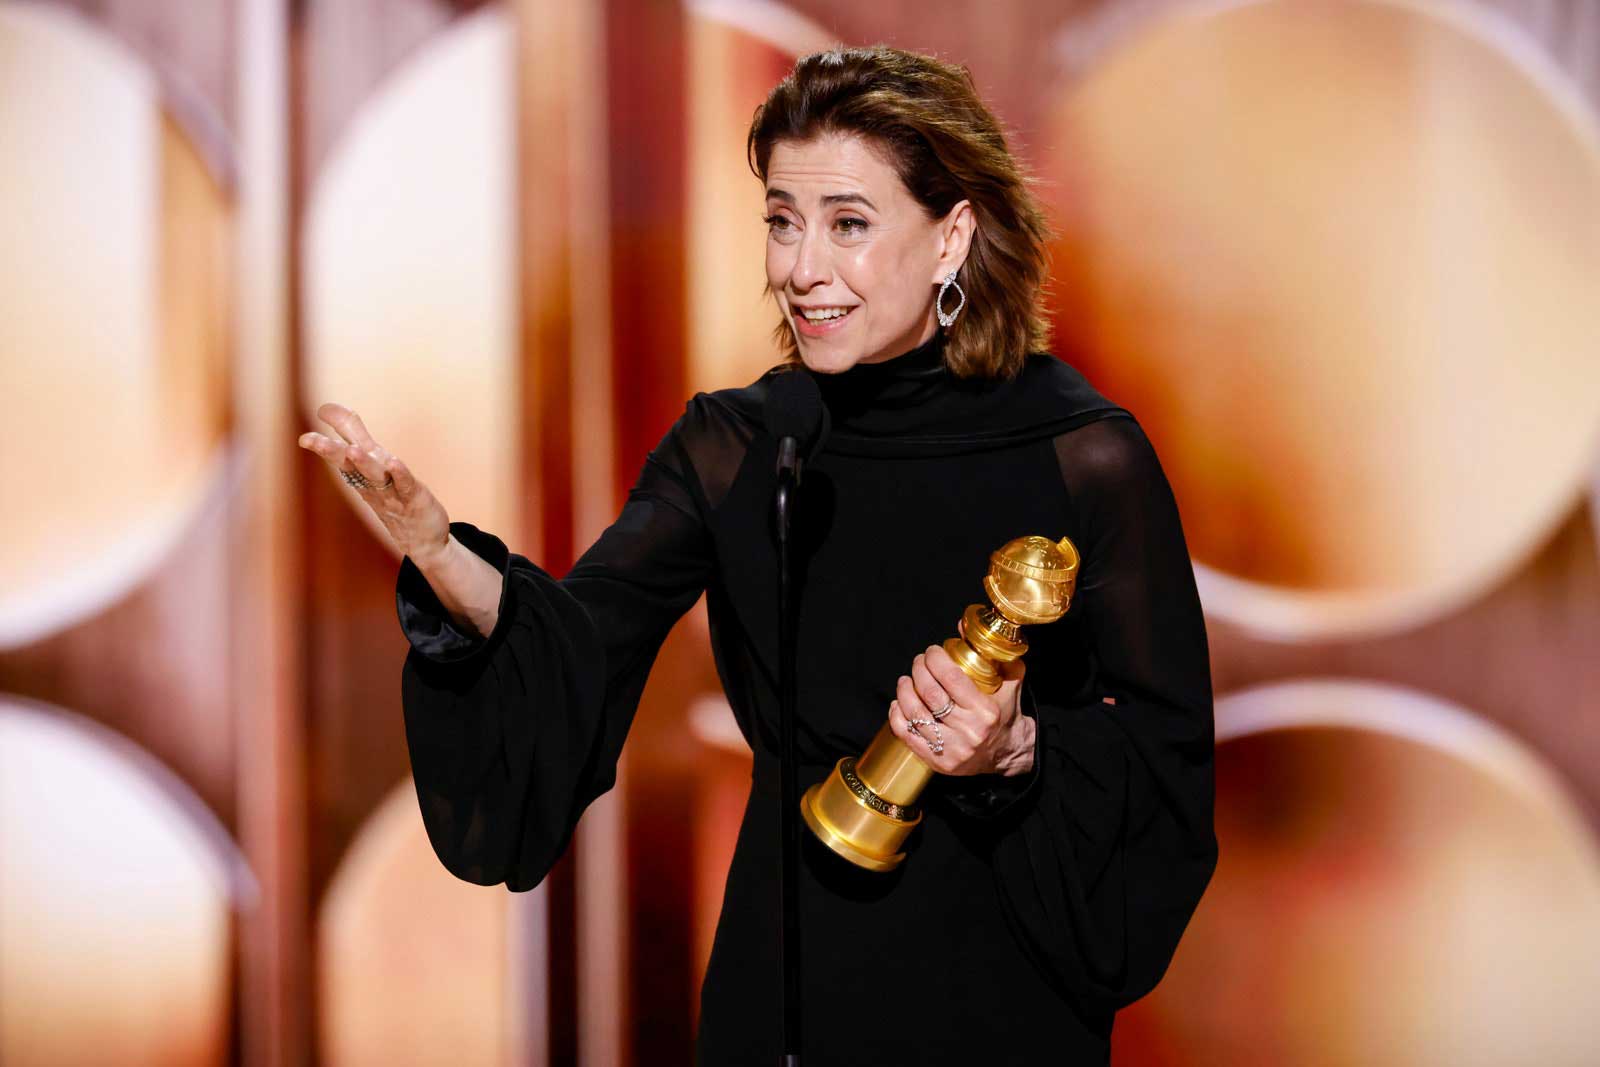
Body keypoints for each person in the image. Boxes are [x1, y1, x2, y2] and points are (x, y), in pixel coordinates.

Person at [299, 43, 1217, 1066]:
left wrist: (1017, 751)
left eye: (848, 224)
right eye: (782, 221)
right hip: (785, 991)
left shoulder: (1085, 456)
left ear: (952, 237)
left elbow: (1166, 761)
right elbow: (577, 642)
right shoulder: (739, 445)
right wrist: (440, 555)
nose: (800, 268)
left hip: (1005, 995)